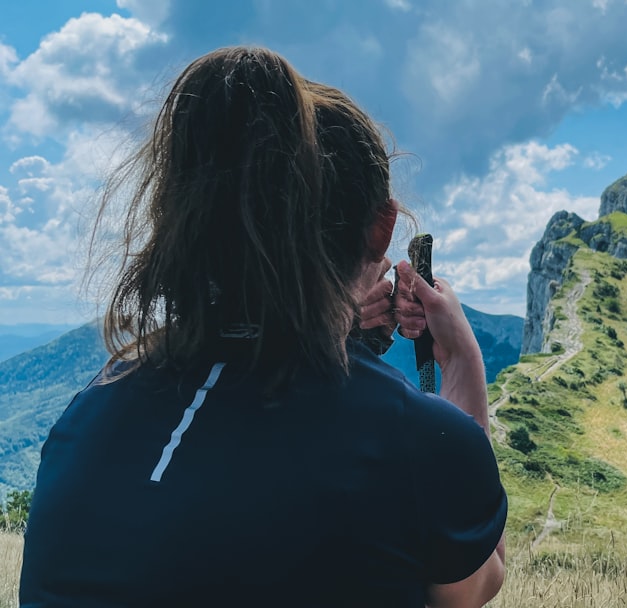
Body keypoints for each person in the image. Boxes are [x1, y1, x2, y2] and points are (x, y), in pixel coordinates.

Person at [19, 47, 507, 607]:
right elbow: (474, 580)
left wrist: (340, 331)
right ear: (382, 230)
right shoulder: (412, 437)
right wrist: (462, 361)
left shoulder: (88, 412)